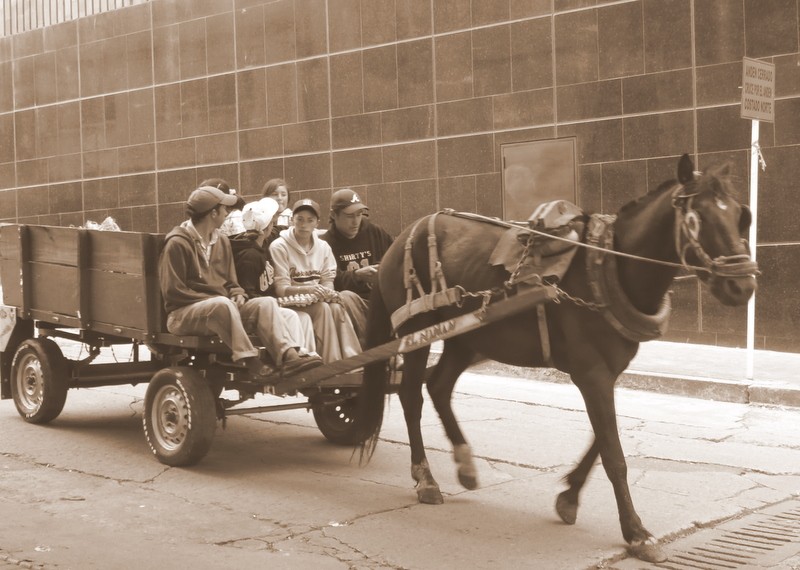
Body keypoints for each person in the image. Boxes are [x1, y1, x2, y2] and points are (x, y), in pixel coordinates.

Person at [158, 185, 323, 386]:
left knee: (266, 303)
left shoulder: (221, 242)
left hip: (220, 310)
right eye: (224, 208)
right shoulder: (177, 243)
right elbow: (173, 292)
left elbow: (231, 282)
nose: (228, 212)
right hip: (182, 315)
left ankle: (290, 357)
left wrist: (236, 292)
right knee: (221, 304)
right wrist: (219, 299)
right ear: (213, 213)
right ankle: (251, 362)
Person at [269, 198, 361, 363]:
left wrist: (327, 292)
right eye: (300, 219)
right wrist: (309, 290)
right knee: (323, 309)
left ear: (317, 223)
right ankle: (329, 363)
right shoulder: (279, 246)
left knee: (336, 306)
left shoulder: (323, 247)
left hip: (315, 299)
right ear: (292, 220)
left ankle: (351, 361)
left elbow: (327, 279)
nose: (304, 225)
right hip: (289, 302)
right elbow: (281, 288)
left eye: (310, 220)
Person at [229, 197, 317, 357]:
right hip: (260, 310)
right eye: (271, 223)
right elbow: (248, 295)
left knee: (303, 317)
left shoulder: (261, 245)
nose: (273, 225)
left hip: (271, 305)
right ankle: (295, 358)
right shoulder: (249, 256)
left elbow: (279, 230)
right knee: (292, 315)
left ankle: (308, 355)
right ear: (264, 229)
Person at [320, 188, 394, 343]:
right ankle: (374, 350)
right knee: (345, 297)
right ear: (334, 215)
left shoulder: (375, 232)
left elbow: (395, 258)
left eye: (359, 215)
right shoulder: (325, 244)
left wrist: (382, 269)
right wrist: (357, 275)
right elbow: (329, 281)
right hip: (352, 307)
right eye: (349, 216)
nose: (356, 221)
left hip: (382, 300)